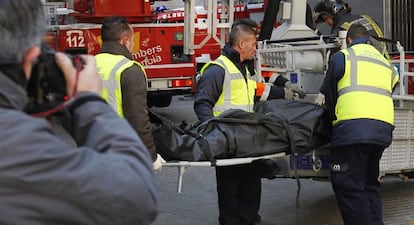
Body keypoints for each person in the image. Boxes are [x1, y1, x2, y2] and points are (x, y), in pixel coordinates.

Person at [0, 1, 158, 224]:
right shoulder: (16, 144)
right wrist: (87, 102)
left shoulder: (96, 59)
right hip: (114, 144)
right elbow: (135, 198)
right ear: (30, 59)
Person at [194, 18, 305, 225]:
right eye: (253, 44)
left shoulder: (244, 69)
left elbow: (256, 91)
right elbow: (202, 104)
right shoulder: (218, 70)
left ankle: (249, 218)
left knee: (251, 183)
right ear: (241, 44)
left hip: (247, 139)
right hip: (227, 141)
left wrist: (286, 93)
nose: (255, 48)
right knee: (229, 186)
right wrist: (212, 135)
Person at [322, 24, 399, 225]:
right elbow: (392, 85)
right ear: (368, 40)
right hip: (381, 132)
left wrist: (332, 121)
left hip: (352, 130)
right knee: (368, 183)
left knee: (347, 184)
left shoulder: (344, 57)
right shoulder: (384, 62)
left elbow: (329, 94)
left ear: (348, 40)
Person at [95, 16, 164, 171]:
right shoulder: (129, 69)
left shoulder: (86, 66)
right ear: (125, 41)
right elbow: (138, 119)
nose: (133, 45)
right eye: (132, 41)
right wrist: (151, 156)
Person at [313, 0, 389, 105]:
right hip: (384, 73)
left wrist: (324, 90)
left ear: (333, 13)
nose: (327, 23)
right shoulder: (367, 19)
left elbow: (332, 64)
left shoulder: (341, 30)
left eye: (326, 19)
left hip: (359, 84)